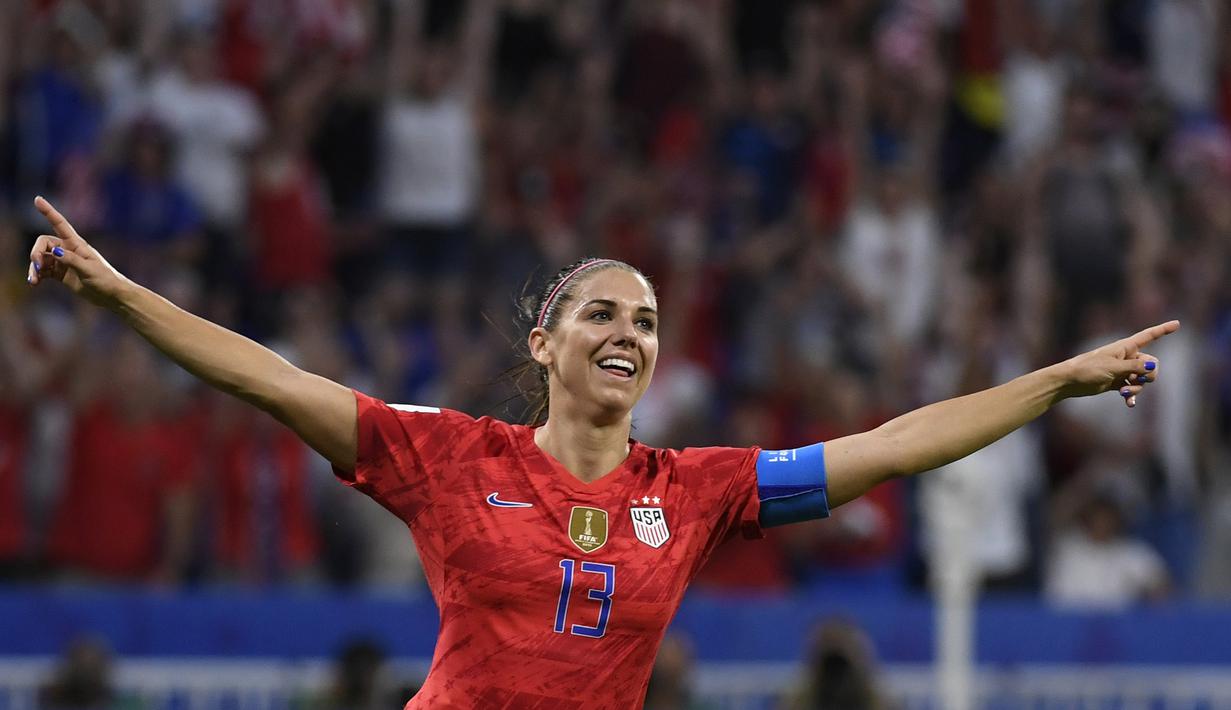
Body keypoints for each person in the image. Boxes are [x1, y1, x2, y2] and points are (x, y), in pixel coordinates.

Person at [25, 195, 1177, 709]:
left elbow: (885, 446)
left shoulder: (697, 491)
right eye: (603, 314)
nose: (630, 333)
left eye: (647, 320)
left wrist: (1055, 381)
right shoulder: (447, 457)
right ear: (546, 340)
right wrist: (120, 294)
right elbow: (268, 377)